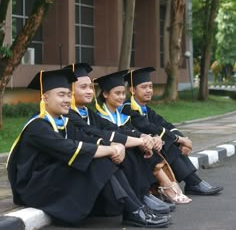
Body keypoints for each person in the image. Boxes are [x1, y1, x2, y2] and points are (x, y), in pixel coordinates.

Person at [7, 68, 169, 228]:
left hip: (53, 176)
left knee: (101, 157)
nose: (66, 100)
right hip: (34, 186)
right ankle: (134, 210)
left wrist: (115, 146)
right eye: (61, 95)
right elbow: (71, 148)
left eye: (68, 95)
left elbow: (86, 139)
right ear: (45, 98)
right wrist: (112, 149)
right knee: (97, 160)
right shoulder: (37, 126)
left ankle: (135, 207)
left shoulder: (62, 122)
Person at [65, 63, 174, 216]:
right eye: (83, 87)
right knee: (124, 150)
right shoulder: (67, 115)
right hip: (72, 167)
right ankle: (139, 200)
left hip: (85, 159)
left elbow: (112, 128)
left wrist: (142, 137)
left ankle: (142, 195)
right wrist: (135, 142)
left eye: (90, 87)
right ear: (69, 91)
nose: (89, 91)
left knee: (133, 147)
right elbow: (96, 133)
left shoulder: (88, 113)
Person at [123, 67, 224, 196]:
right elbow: (149, 127)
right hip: (138, 150)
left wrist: (183, 140)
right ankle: (193, 182)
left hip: (148, 146)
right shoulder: (127, 108)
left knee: (168, 139)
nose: (149, 90)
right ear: (132, 90)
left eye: (150, 86)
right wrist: (179, 140)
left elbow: (165, 124)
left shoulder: (145, 108)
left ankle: (193, 182)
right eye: (144, 87)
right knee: (167, 143)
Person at [95, 69, 192, 204]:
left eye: (123, 93)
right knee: (143, 152)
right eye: (117, 93)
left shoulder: (124, 113)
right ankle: (164, 189)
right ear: (105, 94)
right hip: (113, 153)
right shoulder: (99, 116)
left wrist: (151, 138)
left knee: (152, 148)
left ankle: (164, 189)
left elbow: (144, 128)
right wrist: (146, 139)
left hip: (130, 147)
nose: (122, 97)